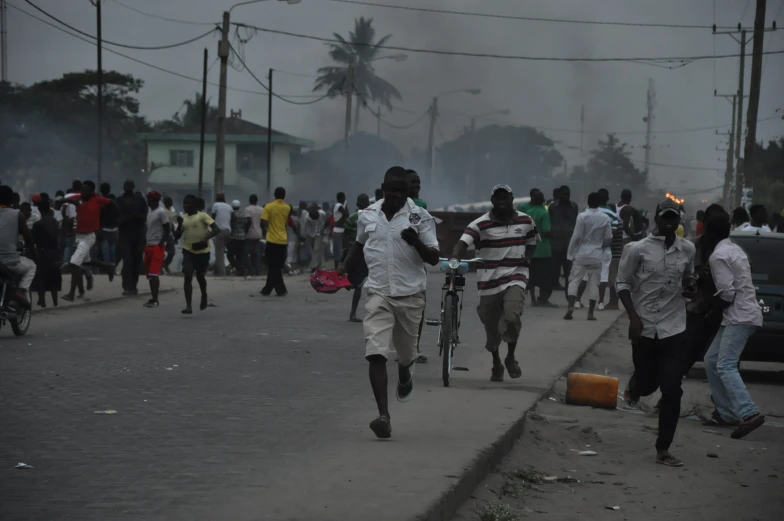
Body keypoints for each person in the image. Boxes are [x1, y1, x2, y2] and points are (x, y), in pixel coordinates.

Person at [341, 166, 440, 439]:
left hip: (410, 295)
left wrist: (416, 242)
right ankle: (384, 416)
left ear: (409, 191)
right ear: (383, 187)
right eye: (391, 190)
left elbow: (433, 258)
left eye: (401, 190)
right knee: (375, 351)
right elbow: (359, 245)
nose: (395, 195)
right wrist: (343, 269)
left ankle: (406, 371)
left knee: (406, 354)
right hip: (378, 293)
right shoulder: (367, 214)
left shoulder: (421, 218)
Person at [616, 199, 697, 467]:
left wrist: (690, 287)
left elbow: (688, 277)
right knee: (648, 383)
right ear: (657, 219)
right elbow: (623, 283)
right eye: (666, 218)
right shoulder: (636, 249)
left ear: (679, 221)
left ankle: (663, 448)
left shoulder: (687, 249)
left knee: (672, 388)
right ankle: (637, 384)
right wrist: (633, 318)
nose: (670, 222)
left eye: (674, 218)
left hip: (674, 327)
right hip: (645, 326)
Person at [453, 184, 537, 382]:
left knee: (512, 315)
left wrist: (528, 258)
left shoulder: (526, 221)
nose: (502, 202)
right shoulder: (479, 224)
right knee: (491, 328)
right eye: (498, 199)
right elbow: (462, 243)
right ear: (492, 202)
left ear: (512, 199)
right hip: (488, 282)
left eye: (505, 198)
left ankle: (510, 357)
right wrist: (455, 258)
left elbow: (532, 241)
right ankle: (496, 361)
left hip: (516, 276)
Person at [700, 211, 766, 439]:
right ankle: (726, 413)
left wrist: (709, 312)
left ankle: (749, 413)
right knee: (711, 360)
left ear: (709, 233)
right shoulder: (736, 249)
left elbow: (727, 294)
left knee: (725, 364)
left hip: (739, 317)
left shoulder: (718, 256)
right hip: (741, 315)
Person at [683, 204, 725, 379]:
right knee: (687, 352)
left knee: (722, 362)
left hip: (722, 310)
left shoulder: (730, 250)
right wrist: (697, 277)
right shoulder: (693, 247)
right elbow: (682, 277)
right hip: (696, 308)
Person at [60, 181, 116, 302]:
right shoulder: (79, 198)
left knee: (74, 263)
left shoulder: (98, 199)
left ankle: (71, 294)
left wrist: (114, 219)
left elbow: (112, 203)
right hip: (79, 236)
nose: (83, 192)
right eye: (82, 190)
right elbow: (68, 199)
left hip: (89, 236)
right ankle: (108, 266)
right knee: (86, 261)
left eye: (85, 190)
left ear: (92, 191)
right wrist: (63, 201)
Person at [564, 192, 612, 321]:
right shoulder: (605, 218)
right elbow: (609, 238)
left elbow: (577, 236)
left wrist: (570, 253)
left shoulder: (582, 216)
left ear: (587, 202)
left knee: (575, 280)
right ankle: (590, 313)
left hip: (581, 254)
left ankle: (570, 307)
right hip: (596, 255)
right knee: (594, 284)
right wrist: (601, 247)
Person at [174, 194, 220, 314]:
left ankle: (204, 294)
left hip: (203, 251)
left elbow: (216, 229)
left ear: (194, 205)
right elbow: (177, 236)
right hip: (188, 250)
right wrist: (179, 224)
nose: (185, 205)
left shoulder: (202, 216)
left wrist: (206, 238)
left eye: (188, 203)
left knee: (200, 276)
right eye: (184, 203)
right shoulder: (183, 218)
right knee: (188, 275)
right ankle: (188, 306)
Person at [0, 185, 37, 308]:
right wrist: (34, 251)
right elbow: (29, 238)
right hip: (9, 262)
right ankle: (20, 291)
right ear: (11, 200)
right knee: (31, 266)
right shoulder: (17, 215)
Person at [407, 169, 429, 362]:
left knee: (418, 307)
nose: (417, 186)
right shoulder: (417, 205)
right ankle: (411, 348)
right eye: (413, 182)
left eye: (418, 182)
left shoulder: (420, 205)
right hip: (411, 260)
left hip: (417, 260)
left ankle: (413, 347)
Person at [523, 189, 556, 307]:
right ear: (543, 201)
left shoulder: (528, 212)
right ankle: (543, 299)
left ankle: (533, 299)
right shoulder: (544, 213)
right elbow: (546, 231)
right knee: (545, 277)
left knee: (531, 275)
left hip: (531, 250)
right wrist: (554, 235)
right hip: (543, 250)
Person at [116, 180, 147, 296]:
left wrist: (135, 216)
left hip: (138, 235)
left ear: (133, 187)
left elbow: (144, 217)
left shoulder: (140, 200)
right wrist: (122, 220)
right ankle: (126, 286)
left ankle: (134, 286)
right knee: (127, 260)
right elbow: (115, 217)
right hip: (124, 234)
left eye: (130, 186)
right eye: (126, 186)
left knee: (136, 261)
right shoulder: (119, 201)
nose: (128, 188)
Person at [261, 187, 293, 296]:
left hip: (271, 239)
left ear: (274, 195)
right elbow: (286, 221)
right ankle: (268, 289)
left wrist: (266, 231)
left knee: (273, 266)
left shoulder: (268, 207)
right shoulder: (288, 207)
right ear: (284, 196)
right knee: (277, 266)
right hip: (283, 240)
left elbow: (263, 222)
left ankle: (279, 290)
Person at [344, 193, 370, 322]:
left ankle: (351, 284)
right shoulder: (355, 217)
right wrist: (348, 248)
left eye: (366, 201)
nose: (366, 204)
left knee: (358, 283)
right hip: (357, 253)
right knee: (358, 284)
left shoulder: (368, 217)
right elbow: (346, 233)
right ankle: (353, 313)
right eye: (364, 201)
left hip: (364, 253)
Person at [548, 185, 578, 296]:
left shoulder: (574, 206)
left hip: (569, 244)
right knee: (552, 271)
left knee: (569, 273)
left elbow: (575, 223)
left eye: (568, 194)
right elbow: (549, 222)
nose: (567, 196)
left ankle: (569, 296)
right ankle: (545, 297)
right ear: (560, 195)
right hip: (555, 244)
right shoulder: (552, 207)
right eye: (564, 194)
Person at [31, 200, 62, 308]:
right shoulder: (55, 222)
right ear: (49, 209)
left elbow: (33, 241)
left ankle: (43, 302)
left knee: (41, 279)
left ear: (39, 210)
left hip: (42, 253)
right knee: (54, 279)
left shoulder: (37, 224)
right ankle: (55, 303)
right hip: (54, 253)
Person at [142, 191, 170, 308]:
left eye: (148, 199)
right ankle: (153, 298)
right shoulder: (149, 212)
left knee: (154, 273)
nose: (147, 201)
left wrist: (161, 244)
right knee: (149, 273)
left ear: (153, 200)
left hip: (157, 245)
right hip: (148, 245)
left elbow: (167, 229)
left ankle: (155, 300)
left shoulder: (161, 212)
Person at [596, 188, 621, 310]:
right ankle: (604, 302)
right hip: (609, 250)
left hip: (598, 249)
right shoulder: (613, 216)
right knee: (607, 276)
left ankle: (613, 302)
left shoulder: (589, 212)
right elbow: (613, 234)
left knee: (589, 275)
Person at [301, 202, 329, 272]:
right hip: (311, 234)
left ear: (316, 208)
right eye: (310, 209)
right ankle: (321, 264)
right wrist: (304, 236)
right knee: (315, 250)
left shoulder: (322, 213)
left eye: (313, 208)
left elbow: (327, 222)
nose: (311, 210)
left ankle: (314, 266)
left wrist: (324, 230)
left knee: (316, 249)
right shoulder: (307, 216)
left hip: (320, 233)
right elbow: (306, 227)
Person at [210, 193, 233, 276]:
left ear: (217, 198)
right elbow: (234, 218)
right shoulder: (229, 206)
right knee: (221, 251)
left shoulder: (216, 205)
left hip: (219, 231)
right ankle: (218, 270)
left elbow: (212, 218)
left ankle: (222, 273)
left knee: (218, 252)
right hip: (228, 231)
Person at [244, 194, 264, 276]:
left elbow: (248, 221)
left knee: (245, 253)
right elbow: (262, 222)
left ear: (249, 200)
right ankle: (258, 270)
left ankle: (251, 269)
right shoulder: (261, 209)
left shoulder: (248, 209)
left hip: (250, 233)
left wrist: (245, 231)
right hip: (259, 233)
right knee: (256, 253)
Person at [228, 200, 247, 276]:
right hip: (242, 237)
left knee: (230, 255)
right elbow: (246, 223)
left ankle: (239, 268)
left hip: (234, 237)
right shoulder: (243, 214)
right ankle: (240, 271)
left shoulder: (231, 215)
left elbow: (230, 224)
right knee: (239, 255)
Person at [331, 192, 348, 270]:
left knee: (344, 250)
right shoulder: (338, 205)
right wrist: (346, 204)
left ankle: (341, 268)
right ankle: (336, 269)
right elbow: (346, 214)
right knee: (338, 252)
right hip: (338, 231)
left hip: (342, 231)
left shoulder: (340, 206)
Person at [162, 196, 178, 274]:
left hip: (169, 234)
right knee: (162, 252)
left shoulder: (171, 211)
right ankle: (161, 266)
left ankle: (164, 264)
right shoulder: (162, 211)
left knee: (172, 252)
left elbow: (171, 225)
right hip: (163, 234)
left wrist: (175, 236)